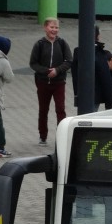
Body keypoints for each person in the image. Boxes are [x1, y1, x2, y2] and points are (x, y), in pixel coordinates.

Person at [28, 17, 72, 145]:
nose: (54, 30)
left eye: (56, 27)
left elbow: (69, 61)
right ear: (45, 28)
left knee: (60, 108)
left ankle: (62, 135)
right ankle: (43, 136)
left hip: (59, 83)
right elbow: (33, 63)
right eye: (52, 27)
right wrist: (46, 71)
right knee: (43, 109)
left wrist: (57, 71)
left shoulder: (62, 43)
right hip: (42, 82)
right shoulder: (39, 44)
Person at [73, 26, 112, 112]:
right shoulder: (99, 54)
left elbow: (75, 76)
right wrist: (109, 100)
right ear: (97, 36)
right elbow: (105, 78)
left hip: (81, 95)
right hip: (94, 96)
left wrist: (76, 94)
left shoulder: (77, 52)